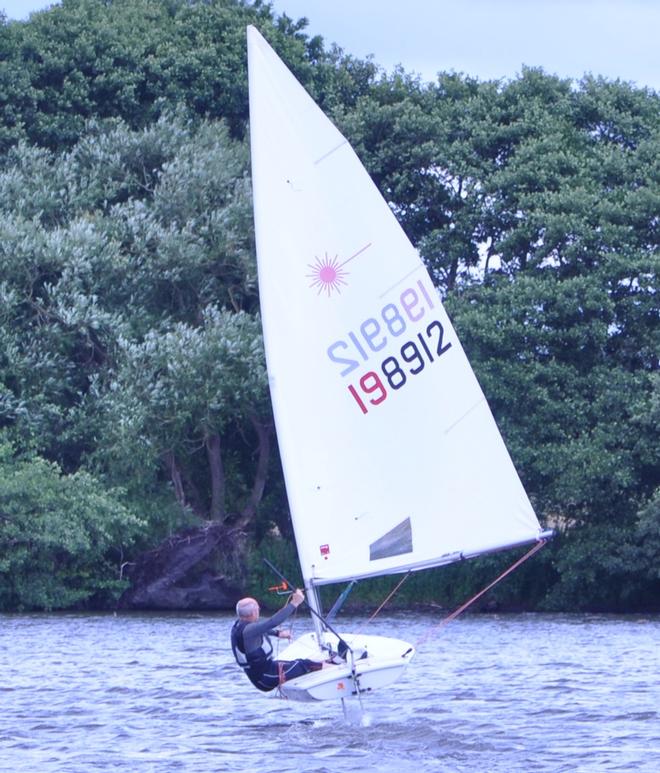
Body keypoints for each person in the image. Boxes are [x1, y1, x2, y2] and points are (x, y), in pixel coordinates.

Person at [230, 588, 333, 692]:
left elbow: (262, 629)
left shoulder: (239, 625)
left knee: (299, 662)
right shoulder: (249, 630)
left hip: (265, 671)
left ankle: (328, 663)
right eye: (258, 609)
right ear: (253, 613)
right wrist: (295, 602)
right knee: (304, 665)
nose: (259, 610)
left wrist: (278, 633)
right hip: (265, 678)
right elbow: (272, 622)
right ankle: (334, 669)